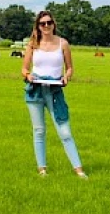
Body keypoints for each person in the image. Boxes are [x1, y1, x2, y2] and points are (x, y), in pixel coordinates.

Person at [20, 11, 87, 179]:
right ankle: (42, 169)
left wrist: (67, 76)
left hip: (55, 90)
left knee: (65, 132)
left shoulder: (63, 44)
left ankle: (78, 170)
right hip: (35, 90)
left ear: (54, 24)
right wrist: (28, 76)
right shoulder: (32, 44)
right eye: (43, 23)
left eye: (49, 22)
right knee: (39, 130)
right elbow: (24, 69)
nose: (46, 26)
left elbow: (70, 67)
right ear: (38, 26)